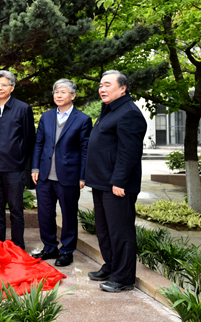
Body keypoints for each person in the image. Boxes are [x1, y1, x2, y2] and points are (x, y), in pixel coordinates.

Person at [85, 70, 146, 293]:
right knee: (104, 230)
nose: (102, 89)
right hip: (102, 181)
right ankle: (111, 266)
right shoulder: (109, 109)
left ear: (123, 88)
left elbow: (129, 152)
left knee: (121, 232)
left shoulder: (129, 113)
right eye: (101, 85)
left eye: (107, 85)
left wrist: (119, 181)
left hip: (117, 185)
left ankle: (123, 277)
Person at [31, 79, 92, 267]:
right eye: (56, 92)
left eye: (63, 92)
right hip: (45, 176)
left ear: (73, 95)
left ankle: (67, 251)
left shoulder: (83, 119)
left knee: (68, 214)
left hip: (69, 175)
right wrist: (35, 168)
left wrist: (82, 176)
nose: (58, 95)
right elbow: (39, 143)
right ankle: (49, 247)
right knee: (45, 214)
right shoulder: (46, 116)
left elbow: (85, 150)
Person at [0, 70, 35, 250]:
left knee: (16, 209)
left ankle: (17, 246)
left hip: (14, 168)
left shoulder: (23, 108)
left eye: (4, 85)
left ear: (12, 87)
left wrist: (19, 159)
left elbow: (29, 139)